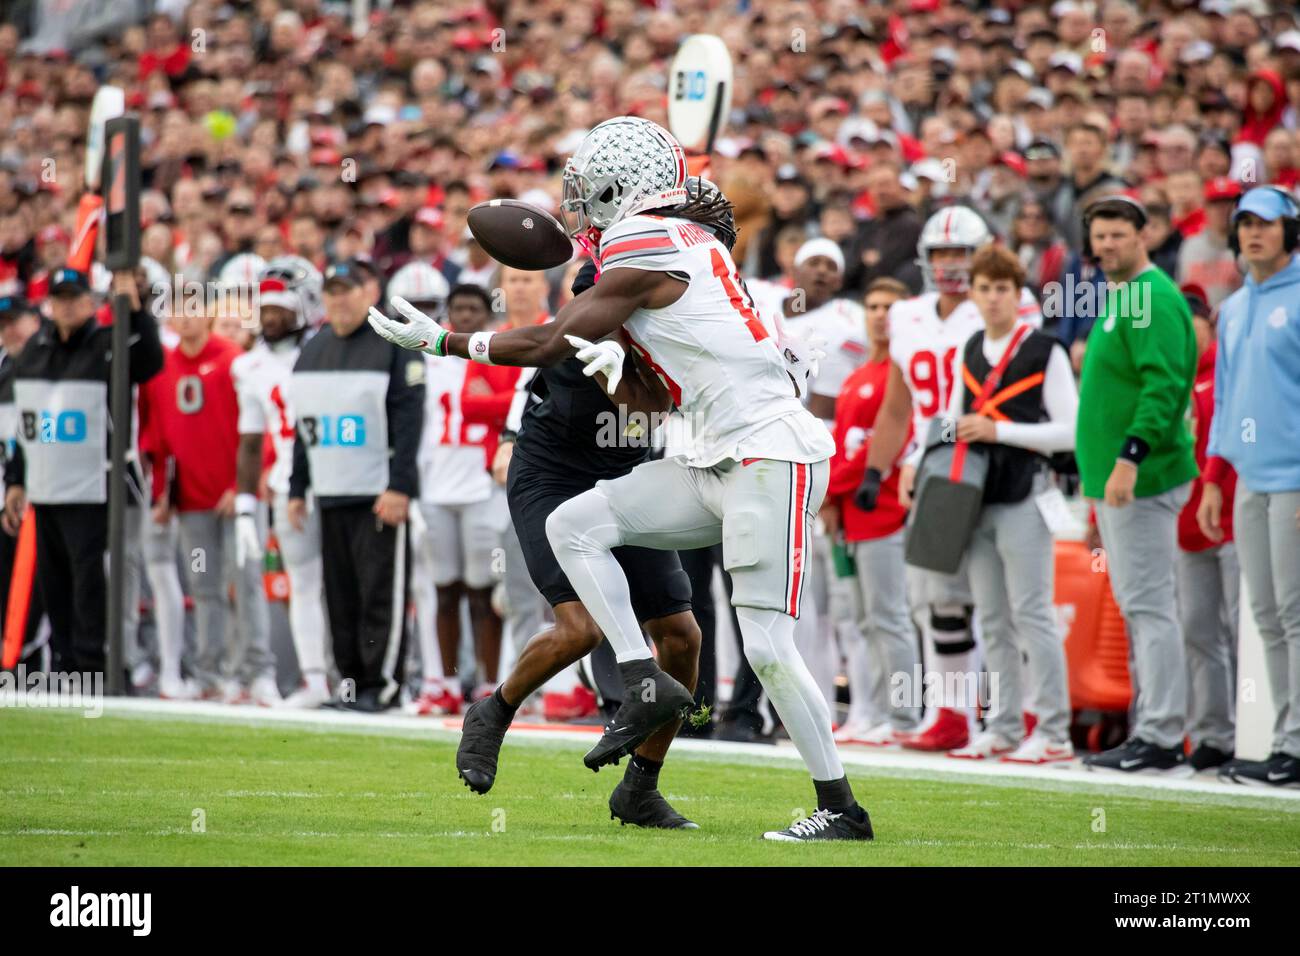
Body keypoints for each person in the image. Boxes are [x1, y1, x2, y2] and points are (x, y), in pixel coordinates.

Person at [371, 118, 873, 842]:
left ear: (626, 186)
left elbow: (547, 340)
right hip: (711, 459)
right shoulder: (682, 249)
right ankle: (640, 683)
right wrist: (617, 372)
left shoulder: (644, 238)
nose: (580, 199)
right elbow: (659, 397)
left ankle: (841, 808)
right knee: (574, 524)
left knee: (764, 645)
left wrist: (446, 341)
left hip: (769, 457)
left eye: (591, 183)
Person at [859, 205, 1041, 754]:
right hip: (934, 464)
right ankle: (950, 712)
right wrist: (877, 467)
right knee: (938, 596)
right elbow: (897, 406)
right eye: (941, 254)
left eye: (960, 253)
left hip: (997, 459)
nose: (951, 265)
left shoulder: (1008, 305)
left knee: (1008, 599)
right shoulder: (910, 315)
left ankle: (1024, 709)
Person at [1075, 196, 1199, 776]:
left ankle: (1162, 734)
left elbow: (1165, 388)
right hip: (1119, 482)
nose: (1106, 246)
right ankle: (1157, 727)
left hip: (1142, 479)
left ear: (1143, 234)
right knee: (1141, 606)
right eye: (1099, 236)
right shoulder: (1122, 297)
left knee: (1149, 607)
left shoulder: (1150, 297)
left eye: (1117, 235)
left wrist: (1128, 459)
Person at [940, 245, 1077, 763]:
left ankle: (1055, 731)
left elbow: (1070, 430)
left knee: (1032, 613)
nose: (993, 298)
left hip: (1026, 491)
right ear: (972, 294)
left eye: (1003, 289)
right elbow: (954, 419)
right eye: (984, 288)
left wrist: (1001, 430)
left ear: (1017, 295)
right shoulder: (971, 346)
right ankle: (1001, 725)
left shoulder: (1045, 350)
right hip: (976, 495)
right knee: (992, 619)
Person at [2, 268, 163, 675]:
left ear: (91, 303)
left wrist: (138, 308)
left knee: (93, 580)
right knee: (54, 583)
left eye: (74, 298)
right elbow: (28, 424)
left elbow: (149, 361)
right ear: (49, 305)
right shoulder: (34, 354)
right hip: (48, 486)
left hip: (98, 485)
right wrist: (17, 480)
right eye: (59, 299)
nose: (67, 306)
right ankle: (65, 661)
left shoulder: (109, 344)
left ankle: (97, 664)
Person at [288, 260, 424, 713]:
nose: (339, 299)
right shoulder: (313, 349)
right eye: (332, 291)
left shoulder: (393, 342)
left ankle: (380, 685)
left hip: (377, 494)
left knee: (379, 592)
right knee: (340, 594)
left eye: (347, 290)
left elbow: (410, 420)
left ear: (368, 292)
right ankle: (349, 684)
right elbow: (303, 428)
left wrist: (400, 485)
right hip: (330, 490)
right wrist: (297, 487)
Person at [1201, 186, 1300, 788]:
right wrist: (1214, 477)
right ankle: (1285, 740)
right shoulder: (1235, 307)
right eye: (1244, 224)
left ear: (1291, 230)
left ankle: (1295, 741)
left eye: (1266, 223)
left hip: (1292, 477)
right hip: (1247, 478)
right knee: (1264, 613)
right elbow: (1224, 398)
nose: (1253, 233)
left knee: (1294, 611)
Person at [141, 297, 279, 705]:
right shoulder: (161, 369)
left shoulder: (235, 361)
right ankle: (211, 673)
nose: (184, 319)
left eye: (193, 310)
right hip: (192, 502)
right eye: (178, 311)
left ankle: (257, 672)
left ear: (208, 316)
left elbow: (261, 428)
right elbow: (159, 439)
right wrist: (162, 494)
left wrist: (243, 485)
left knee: (246, 581)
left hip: (238, 500)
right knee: (204, 587)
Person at [231, 256, 331, 708]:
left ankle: (359, 677)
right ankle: (316, 680)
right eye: (265, 309)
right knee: (304, 584)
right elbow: (250, 442)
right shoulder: (248, 367)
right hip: (287, 484)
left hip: (340, 481)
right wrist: (246, 508)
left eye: (281, 309)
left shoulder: (328, 349)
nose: (271, 318)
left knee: (349, 585)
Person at [824, 277, 920, 746]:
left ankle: (903, 717)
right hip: (848, 514)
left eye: (890, 306)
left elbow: (882, 447)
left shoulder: (903, 374)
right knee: (861, 620)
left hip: (884, 510)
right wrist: (832, 499)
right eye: (874, 305)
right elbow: (844, 445)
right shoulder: (858, 375)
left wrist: (828, 488)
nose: (881, 314)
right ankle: (874, 710)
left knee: (890, 616)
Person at [412, 284, 512, 712]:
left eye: (474, 308)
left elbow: (507, 408)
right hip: (436, 485)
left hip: (480, 484)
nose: (465, 316)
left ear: (487, 315)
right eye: (458, 309)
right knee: (444, 589)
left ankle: (489, 681)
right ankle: (448, 683)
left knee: (483, 590)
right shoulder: (428, 362)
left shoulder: (496, 352)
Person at [1175, 284, 1239, 773]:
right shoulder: (1169, 377)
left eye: (1191, 323)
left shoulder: (1226, 368)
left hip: (1235, 517)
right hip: (1184, 522)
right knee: (1197, 630)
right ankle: (1213, 731)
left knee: (1248, 630)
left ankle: (1259, 730)